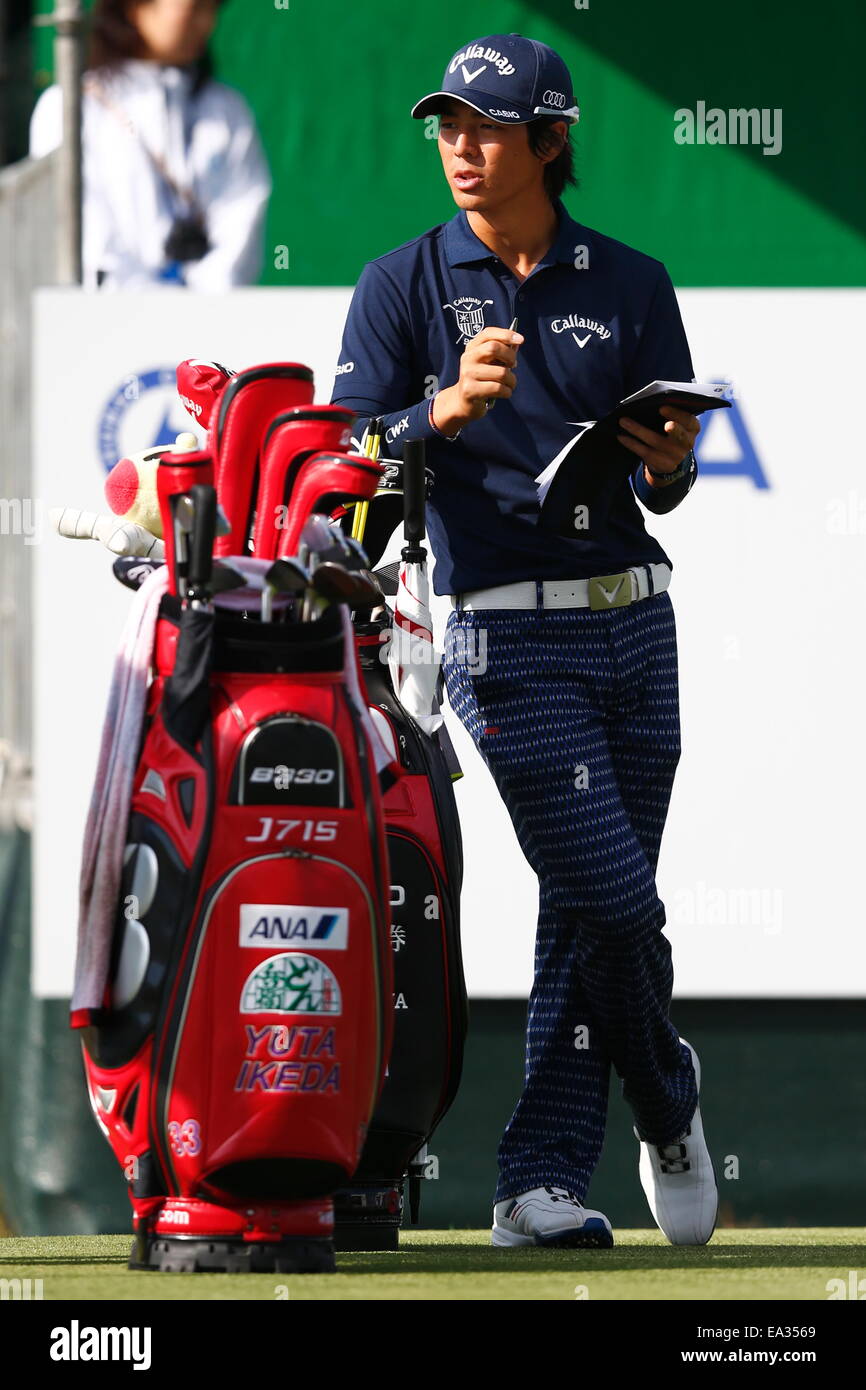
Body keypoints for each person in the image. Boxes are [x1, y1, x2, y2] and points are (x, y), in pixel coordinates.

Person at [331, 32, 718, 1249]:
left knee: (579, 914)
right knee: (616, 898)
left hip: (635, 627)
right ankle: (668, 1097)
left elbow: (666, 484)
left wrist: (671, 462)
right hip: (500, 641)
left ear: (548, 140)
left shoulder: (632, 279)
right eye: (446, 124)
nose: (457, 146)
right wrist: (434, 412)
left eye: (485, 126)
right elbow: (337, 473)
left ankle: (535, 1185)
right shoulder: (398, 283)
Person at [29, 0, 270, 289]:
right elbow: (81, 229)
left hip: (212, 324)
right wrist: (147, 301)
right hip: (104, 322)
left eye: (211, 9)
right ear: (134, 7)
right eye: (194, 8)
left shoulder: (227, 110)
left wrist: (204, 299)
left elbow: (243, 211)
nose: (205, 22)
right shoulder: (70, 107)